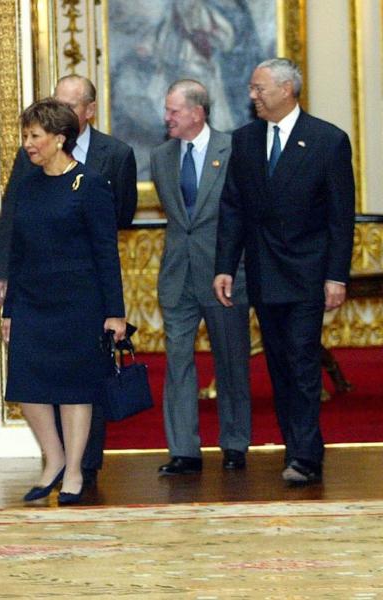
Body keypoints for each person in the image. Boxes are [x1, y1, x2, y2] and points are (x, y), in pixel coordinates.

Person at [0, 74, 137, 486]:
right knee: (27, 385)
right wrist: (10, 310)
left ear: (58, 138)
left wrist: (115, 313)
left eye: (34, 135)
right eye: (25, 135)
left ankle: (73, 470)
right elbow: (17, 249)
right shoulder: (29, 184)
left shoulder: (88, 184)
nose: (27, 143)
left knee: (76, 389)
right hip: (33, 301)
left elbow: (106, 253)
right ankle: (52, 459)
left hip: (80, 303)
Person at [214, 58, 355, 485]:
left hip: (308, 274)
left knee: (302, 360)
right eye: (253, 88)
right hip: (262, 272)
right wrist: (224, 267)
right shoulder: (245, 140)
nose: (252, 95)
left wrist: (336, 276)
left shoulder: (327, 140)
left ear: (286, 90)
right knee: (278, 364)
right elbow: (233, 209)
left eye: (259, 88)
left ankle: (306, 455)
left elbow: (339, 217)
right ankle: (298, 447)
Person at [151, 80, 251, 475]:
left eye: (174, 111)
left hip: (223, 274)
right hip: (177, 275)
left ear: (197, 112)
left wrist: (232, 265)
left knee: (230, 360)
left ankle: (235, 443)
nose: (167, 118)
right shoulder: (160, 157)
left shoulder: (232, 150)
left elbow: (241, 212)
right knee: (177, 362)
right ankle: (184, 450)